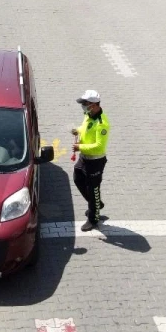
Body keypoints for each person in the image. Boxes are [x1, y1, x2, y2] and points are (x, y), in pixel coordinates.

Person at [70, 89, 110, 231]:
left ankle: (93, 218)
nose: (83, 105)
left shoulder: (102, 124)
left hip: (95, 161)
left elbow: (99, 146)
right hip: (84, 158)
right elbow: (85, 128)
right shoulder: (88, 114)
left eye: (85, 103)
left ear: (93, 105)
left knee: (94, 190)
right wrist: (78, 130)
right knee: (77, 178)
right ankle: (96, 204)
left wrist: (80, 147)